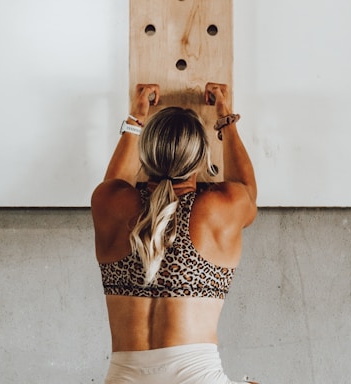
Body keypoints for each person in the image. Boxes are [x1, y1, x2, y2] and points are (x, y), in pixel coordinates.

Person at [91, 82, 258, 384]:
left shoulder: (109, 203)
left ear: (145, 155)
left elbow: (114, 180)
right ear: (202, 158)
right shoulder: (220, 207)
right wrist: (224, 117)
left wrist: (136, 117)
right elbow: (247, 190)